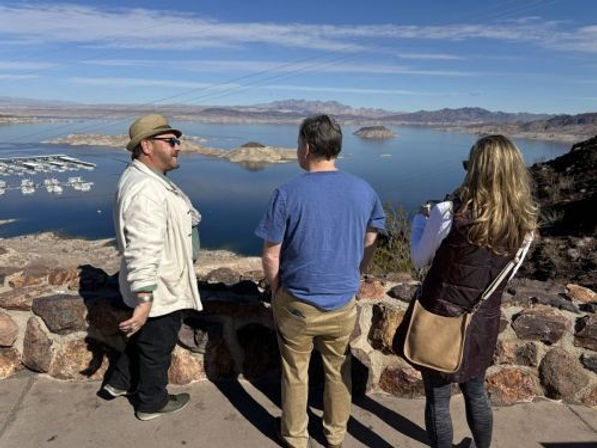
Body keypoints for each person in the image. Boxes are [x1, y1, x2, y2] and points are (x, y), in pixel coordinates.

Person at [255, 114, 385, 448]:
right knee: (337, 369)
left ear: (308, 147)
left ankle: (296, 437)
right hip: (342, 301)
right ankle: (335, 434)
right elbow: (372, 235)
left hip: (297, 301)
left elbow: (271, 255)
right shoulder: (364, 190)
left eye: (299, 143)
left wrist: (276, 288)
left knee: (295, 372)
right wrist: (356, 272)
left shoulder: (287, 192)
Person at [400, 135, 537, 448]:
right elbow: (507, 274)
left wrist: (420, 220)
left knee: (437, 400)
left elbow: (420, 259)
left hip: (439, 318)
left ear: (475, 170)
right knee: (476, 392)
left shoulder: (448, 212)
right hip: (482, 322)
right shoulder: (524, 224)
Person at [101, 114, 202, 421]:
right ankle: (150, 403)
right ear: (146, 146)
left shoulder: (150, 178)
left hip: (163, 281)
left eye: (178, 141)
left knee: (145, 342)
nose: (178, 147)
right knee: (157, 350)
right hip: (160, 288)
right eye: (171, 142)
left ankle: (119, 383)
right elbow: (142, 247)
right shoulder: (145, 189)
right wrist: (145, 299)